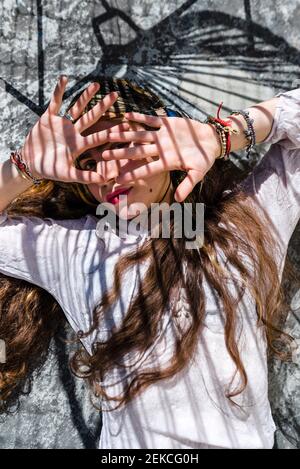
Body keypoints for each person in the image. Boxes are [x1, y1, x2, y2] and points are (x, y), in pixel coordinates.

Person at [0, 75, 299, 449]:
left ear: (166, 133)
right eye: (89, 161)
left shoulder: (248, 219)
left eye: (121, 146)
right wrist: (22, 168)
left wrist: (220, 136)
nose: (106, 173)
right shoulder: (77, 249)